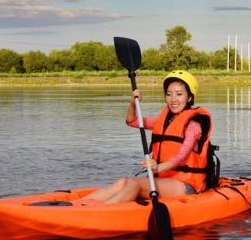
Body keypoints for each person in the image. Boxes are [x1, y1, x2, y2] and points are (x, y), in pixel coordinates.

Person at [84, 70, 212, 204]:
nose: (173, 99)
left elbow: (181, 157)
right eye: (169, 94)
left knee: (135, 184)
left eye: (179, 94)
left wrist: (158, 168)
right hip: (164, 179)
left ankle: (100, 210)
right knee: (123, 182)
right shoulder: (163, 121)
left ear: (190, 98)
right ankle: (78, 204)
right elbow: (132, 121)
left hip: (186, 184)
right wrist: (133, 104)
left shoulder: (194, 125)